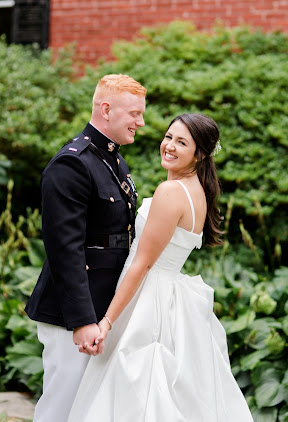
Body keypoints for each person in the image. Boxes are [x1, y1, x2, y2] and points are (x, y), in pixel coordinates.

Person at [68, 114, 253, 421]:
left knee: (139, 392)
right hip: (172, 292)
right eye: (169, 137)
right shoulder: (199, 191)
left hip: (149, 298)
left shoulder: (171, 192)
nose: (169, 146)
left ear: (201, 154)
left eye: (182, 142)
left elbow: (142, 263)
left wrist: (107, 322)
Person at [24, 74, 147, 421]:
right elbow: (66, 251)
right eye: (134, 113)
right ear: (106, 109)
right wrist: (82, 320)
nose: (141, 122)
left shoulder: (114, 161)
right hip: (73, 314)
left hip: (103, 307)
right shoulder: (72, 163)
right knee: (62, 407)